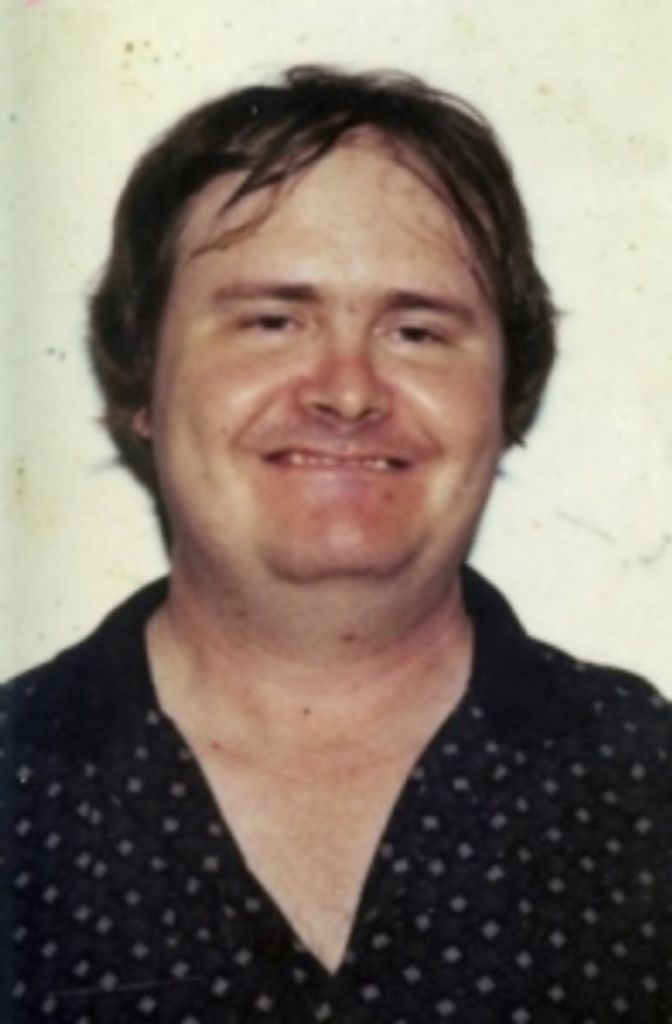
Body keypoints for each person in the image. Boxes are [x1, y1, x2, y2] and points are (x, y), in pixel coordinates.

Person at [3, 66, 670, 1024]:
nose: (348, 392)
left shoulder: (647, 786)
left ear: (506, 399)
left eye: (417, 331)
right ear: (142, 380)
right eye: (273, 321)